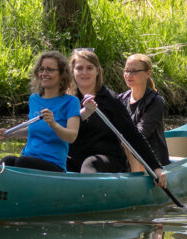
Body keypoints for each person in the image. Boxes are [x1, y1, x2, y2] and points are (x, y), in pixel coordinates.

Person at [67, 49, 167, 188]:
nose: (84, 72)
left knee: (90, 163)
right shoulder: (66, 99)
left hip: (106, 159)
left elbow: (133, 135)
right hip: (75, 157)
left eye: (89, 68)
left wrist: (155, 167)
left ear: (97, 71)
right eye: (79, 68)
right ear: (72, 71)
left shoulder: (110, 100)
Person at [0, 51, 80, 172]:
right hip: (28, 158)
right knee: (7, 161)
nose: (44, 73)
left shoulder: (71, 102)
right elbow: (33, 129)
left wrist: (54, 124)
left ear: (61, 74)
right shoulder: (34, 99)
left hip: (53, 163)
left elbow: (71, 137)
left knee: (22, 162)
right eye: (41, 69)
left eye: (50, 70)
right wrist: (9, 133)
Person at [117, 53, 170, 167]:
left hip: (153, 163)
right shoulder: (120, 99)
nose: (129, 75)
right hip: (125, 159)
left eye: (135, 71)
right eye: (126, 70)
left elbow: (139, 135)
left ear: (148, 73)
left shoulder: (156, 101)